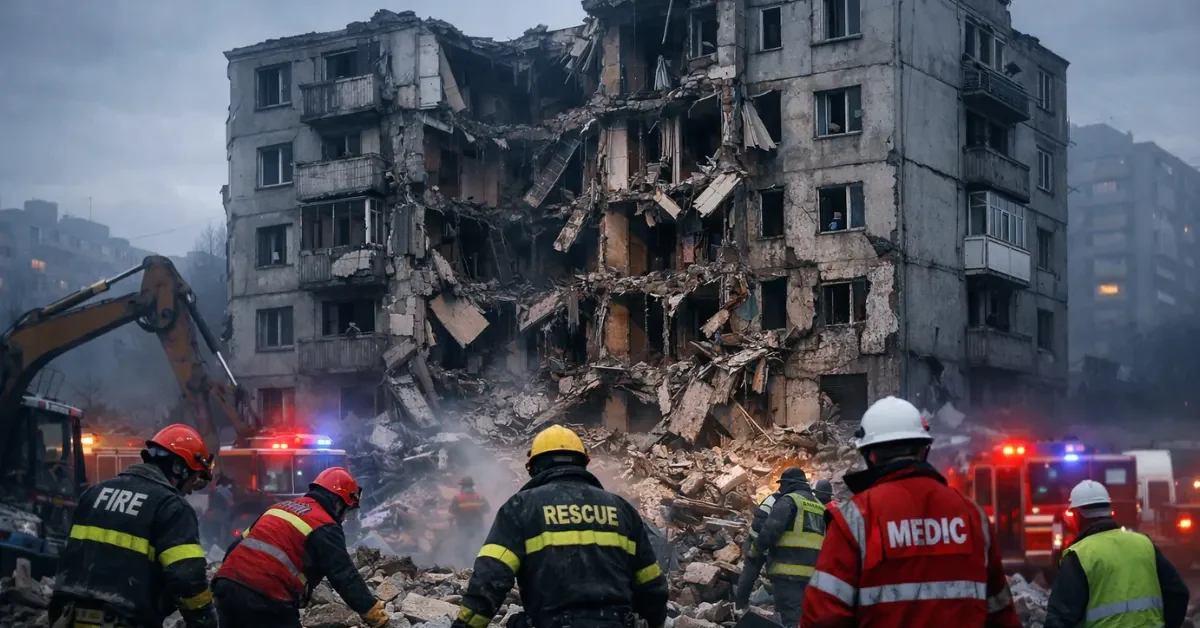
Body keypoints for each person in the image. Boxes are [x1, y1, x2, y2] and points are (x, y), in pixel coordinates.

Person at [801, 396, 1020, 628]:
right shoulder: (971, 515)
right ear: (924, 449)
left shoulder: (855, 518)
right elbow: (1001, 614)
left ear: (869, 455)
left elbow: (822, 617)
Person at [453, 425, 668, 628]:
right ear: (583, 463)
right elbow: (652, 586)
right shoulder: (621, 509)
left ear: (535, 468)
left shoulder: (520, 507)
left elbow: (491, 579)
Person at [49, 424, 217, 628]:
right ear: (178, 469)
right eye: (193, 480)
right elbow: (187, 578)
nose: (190, 490)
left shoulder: (94, 494)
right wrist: (205, 622)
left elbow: (68, 560)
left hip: (69, 617)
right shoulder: (171, 507)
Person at [212, 467, 388, 628]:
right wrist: (372, 611)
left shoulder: (279, 508)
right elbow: (344, 574)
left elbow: (236, 546)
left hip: (226, 587)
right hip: (266, 596)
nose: (343, 519)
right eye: (347, 511)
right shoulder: (324, 524)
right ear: (338, 503)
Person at [1045, 480, 1189, 628]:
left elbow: (1059, 618)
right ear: (1109, 510)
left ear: (1077, 516)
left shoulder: (1079, 556)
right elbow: (1178, 593)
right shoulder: (1144, 544)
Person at [734, 467, 826, 627]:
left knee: (790, 617)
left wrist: (755, 550)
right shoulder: (820, 507)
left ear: (789, 483)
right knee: (804, 615)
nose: (780, 488)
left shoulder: (789, 500)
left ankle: (739, 607)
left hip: (787, 571)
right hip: (812, 575)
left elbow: (771, 530)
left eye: (782, 484)